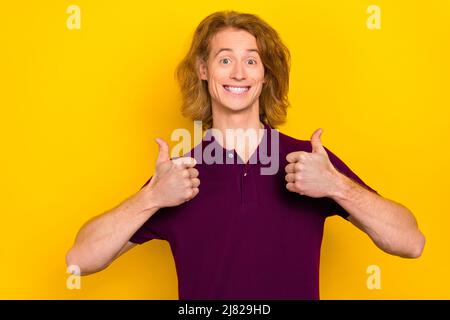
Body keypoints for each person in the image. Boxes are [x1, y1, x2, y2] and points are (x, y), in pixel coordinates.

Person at [66, 11, 425, 300]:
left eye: (252, 61)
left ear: (265, 75)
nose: (239, 72)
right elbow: (78, 262)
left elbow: (410, 243)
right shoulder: (179, 175)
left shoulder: (308, 161)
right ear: (204, 71)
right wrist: (151, 198)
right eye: (225, 60)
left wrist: (336, 186)